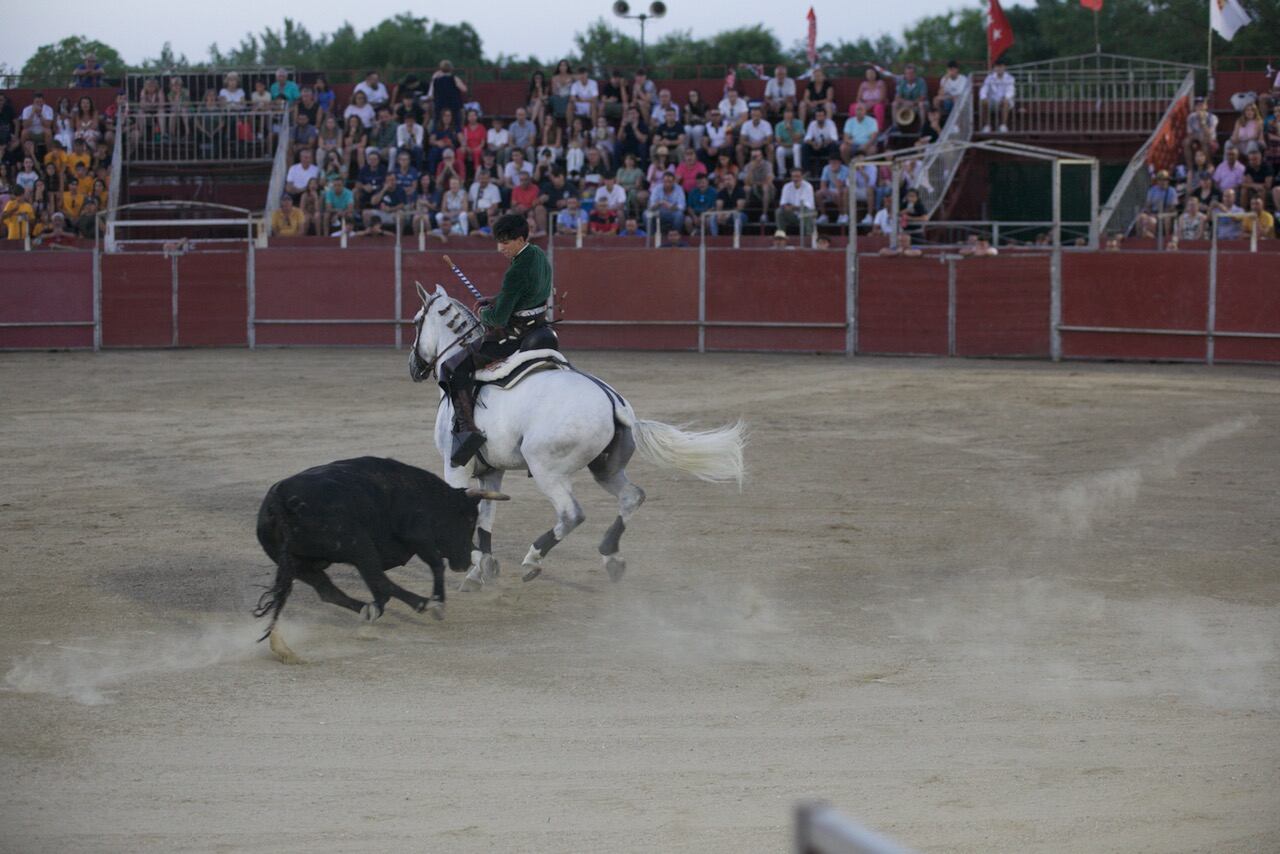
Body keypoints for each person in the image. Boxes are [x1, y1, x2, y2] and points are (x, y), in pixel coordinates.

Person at [440, 213, 553, 467]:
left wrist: (484, 313)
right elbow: (527, 294)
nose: (500, 248)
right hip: (539, 329)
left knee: (452, 367)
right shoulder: (537, 254)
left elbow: (499, 319)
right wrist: (495, 299)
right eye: (498, 242)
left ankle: (467, 433)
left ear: (521, 239)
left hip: (514, 336)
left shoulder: (516, 270)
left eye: (506, 242)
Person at [978, 61, 1016, 133]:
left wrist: (1006, 97)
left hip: (1005, 100)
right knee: (983, 102)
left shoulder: (1010, 78)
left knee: (1006, 102)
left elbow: (1011, 90)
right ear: (994, 68)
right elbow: (984, 88)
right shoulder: (989, 77)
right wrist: (983, 97)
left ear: (1004, 67)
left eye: (1001, 66)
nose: (999, 68)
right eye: (997, 67)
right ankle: (987, 126)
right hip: (993, 100)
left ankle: (1003, 125)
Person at [428, 61, 468, 125]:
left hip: (439, 106)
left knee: (438, 124)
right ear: (451, 68)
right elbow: (464, 89)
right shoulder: (454, 78)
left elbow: (431, 94)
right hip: (453, 106)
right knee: (457, 122)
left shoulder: (435, 80)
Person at [777, 168, 815, 234]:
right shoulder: (786, 186)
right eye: (793, 176)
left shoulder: (808, 186)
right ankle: (781, 234)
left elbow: (807, 206)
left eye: (797, 176)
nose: (795, 179)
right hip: (792, 215)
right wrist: (787, 207)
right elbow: (783, 203)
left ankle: (809, 235)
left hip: (805, 215)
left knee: (808, 211)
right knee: (779, 211)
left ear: (802, 176)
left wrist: (792, 207)